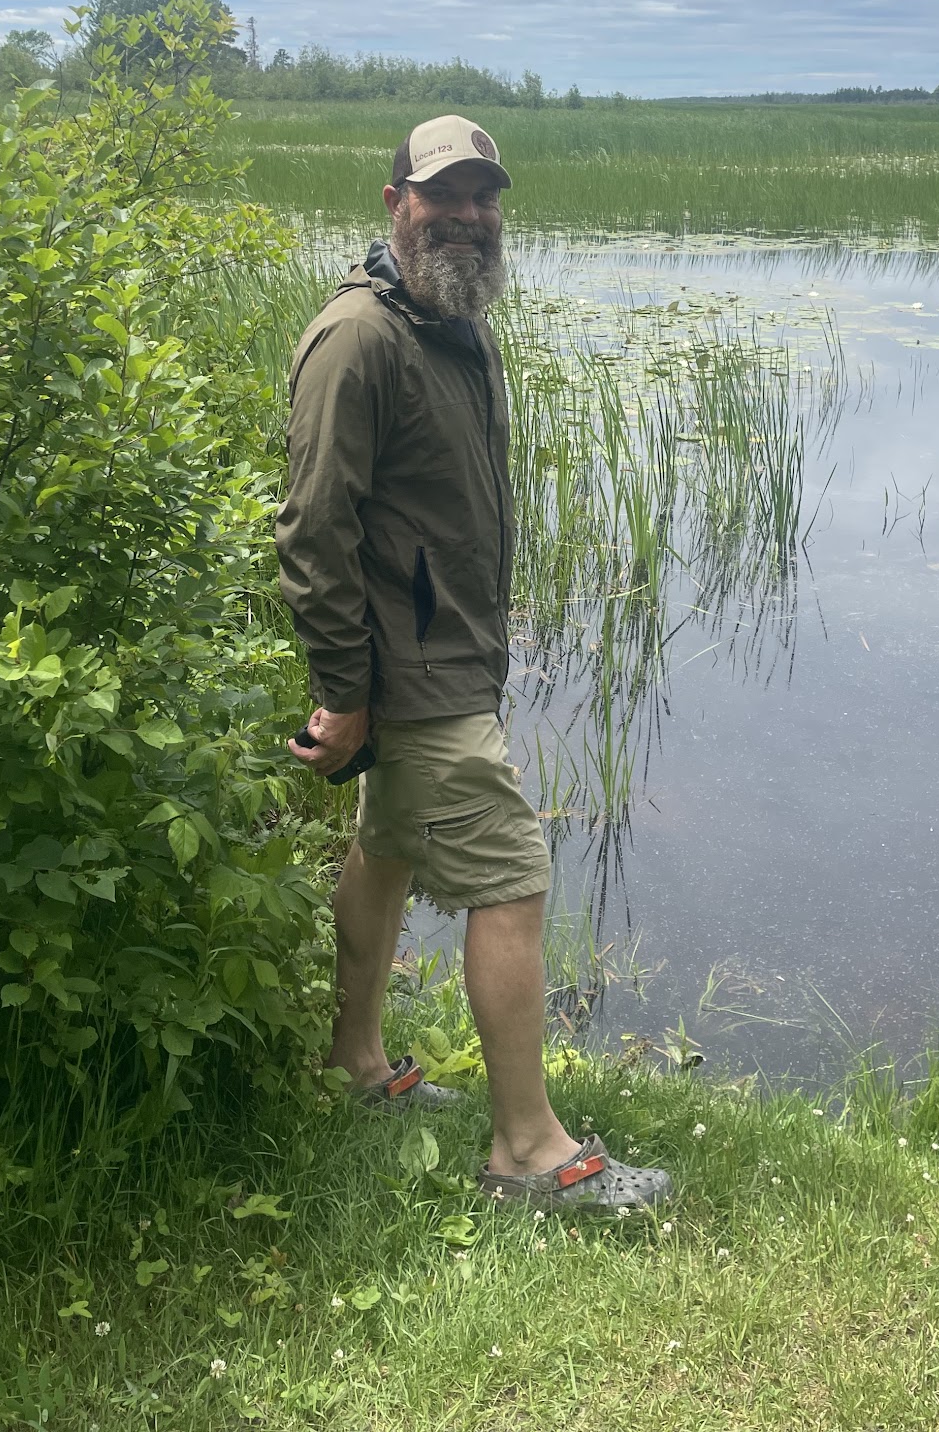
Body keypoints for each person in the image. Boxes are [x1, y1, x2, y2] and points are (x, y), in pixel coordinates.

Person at [274, 114, 671, 1214]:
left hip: (452, 659)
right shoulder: (358, 339)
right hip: (415, 682)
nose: (469, 213)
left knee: (388, 848)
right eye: (444, 192)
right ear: (394, 198)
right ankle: (527, 1149)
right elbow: (312, 529)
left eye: (485, 194)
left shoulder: (458, 324)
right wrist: (346, 695)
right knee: (512, 877)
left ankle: (356, 1061)